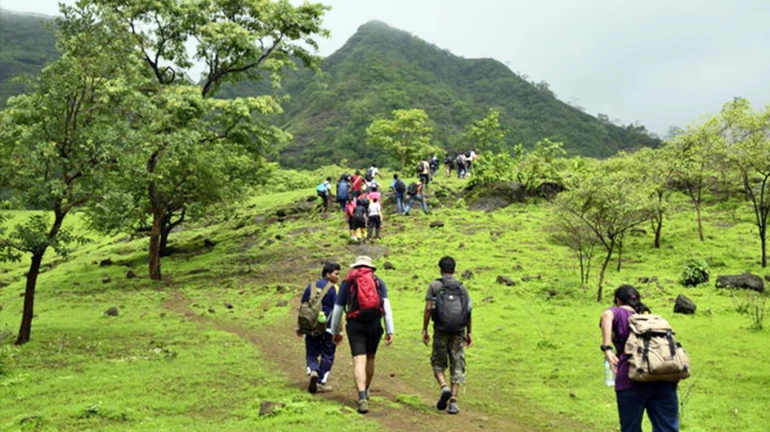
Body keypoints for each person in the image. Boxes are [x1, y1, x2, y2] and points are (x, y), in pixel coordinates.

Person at [599, 285, 680, 432]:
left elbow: (607, 315)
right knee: (667, 428)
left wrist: (607, 348)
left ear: (617, 300)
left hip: (631, 378)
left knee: (631, 428)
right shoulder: (651, 319)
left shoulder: (618, 312)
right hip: (664, 376)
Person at [330, 256, 395, 414]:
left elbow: (338, 308)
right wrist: (389, 330)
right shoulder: (378, 281)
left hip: (355, 325)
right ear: (370, 268)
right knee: (370, 358)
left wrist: (335, 331)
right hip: (374, 324)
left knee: (359, 360)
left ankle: (362, 396)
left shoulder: (348, 282)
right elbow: (386, 307)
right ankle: (366, 390)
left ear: (355, 267)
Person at [422, 256, 472, 415]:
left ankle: (444, 387)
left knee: (438, 361)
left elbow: (428, 309)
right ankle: (454, 402)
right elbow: (468, 312)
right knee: (457, 363)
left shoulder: (435, 286)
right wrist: (469, 332)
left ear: (440, 269)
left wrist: (425, 329)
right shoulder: (462, 288)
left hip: (440, 330)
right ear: (454, 269)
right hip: (458, 331)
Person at [297, 262, 341, 393]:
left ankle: (313, 370)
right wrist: (339, 331)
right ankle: (321, 381)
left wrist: (300, 326)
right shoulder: (334, 289)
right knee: (328, 354)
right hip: (328, 327)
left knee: (311, 352)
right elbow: (337, 310)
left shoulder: (310, 286)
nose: (338, 277)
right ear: (328, 274)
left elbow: (303, 308)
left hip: (310, 327)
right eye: (336, 274)